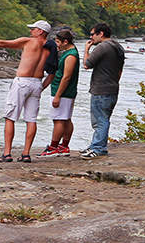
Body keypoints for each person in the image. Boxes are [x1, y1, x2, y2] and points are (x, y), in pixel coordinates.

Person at [0, 20, 53, 163]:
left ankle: (7, 154)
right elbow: (52, 72)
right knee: (31, 119)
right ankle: (26, 154)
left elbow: (2, 43)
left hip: (22, 82)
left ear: (41, 31)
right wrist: (41, 87)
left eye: (33, 29)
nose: (31, 31)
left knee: (10, 117)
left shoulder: (29, 42)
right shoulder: (51, 48)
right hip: (37, 83)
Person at [81, 22, 125, 160]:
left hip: (101, 89)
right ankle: (96, 145)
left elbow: (87, 64)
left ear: (101, 34)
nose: (91, 37)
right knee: (104, 118)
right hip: (113, 88)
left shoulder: (103, 47)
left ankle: (98, 148)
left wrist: (86, 49)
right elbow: (119, 71)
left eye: (93, 34)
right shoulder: (118, 47)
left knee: (99, 120)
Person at [39, 30, 79, 157]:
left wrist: (57, 95)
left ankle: (54, 147)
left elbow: (66, 77)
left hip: (63, 92)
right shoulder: (68, 52)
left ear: (65, 41)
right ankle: (64, 146)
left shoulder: (71, 56)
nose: (56, 44)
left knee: (59, 119)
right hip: (65, 92)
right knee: (65, 119)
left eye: (58, 41)